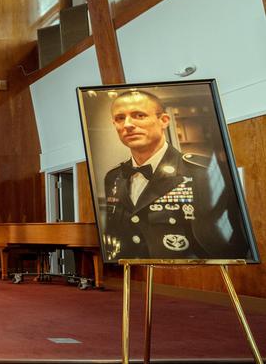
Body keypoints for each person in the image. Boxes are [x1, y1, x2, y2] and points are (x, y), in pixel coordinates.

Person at [101, 90, 249, 260]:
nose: (127, 124)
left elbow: (229, 241)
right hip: (131, 276)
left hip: (188, 277)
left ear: (164, 120)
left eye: (139, 115)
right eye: (120, 118)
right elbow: (114, 234)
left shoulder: (202, 171)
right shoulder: (113, 177)